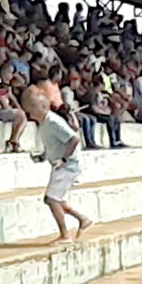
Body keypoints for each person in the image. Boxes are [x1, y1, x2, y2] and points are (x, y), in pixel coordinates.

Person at [24, 85, 92, 241]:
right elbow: (54, 143)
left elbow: (74, 139)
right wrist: (43, 156)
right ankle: (83, 219)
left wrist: (64, 159)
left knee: (52, 199)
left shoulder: (52, 121)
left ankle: (65, 235)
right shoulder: (43, 123)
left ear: (44, 107)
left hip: (69, 164)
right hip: (62, 163)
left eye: (34, 106)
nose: (31, 109)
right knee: (56, 199)